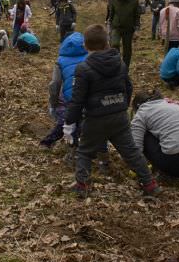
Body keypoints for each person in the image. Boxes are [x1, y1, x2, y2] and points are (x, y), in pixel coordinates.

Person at [63, 24, 162, 198]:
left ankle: (81, 185)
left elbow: (77, 100)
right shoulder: (120, 63)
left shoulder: (83, 69)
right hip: (119, 116)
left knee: (85, 152)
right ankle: (149, 184)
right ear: (106, 42)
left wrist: (69, 123)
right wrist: (122, 105)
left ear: (85, 46)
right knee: (131, 152)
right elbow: (128, 87)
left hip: (95, 119)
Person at [41, 32, 88, 149]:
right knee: (82, 120)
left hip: (70, 98)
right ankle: (79, 144)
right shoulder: (91, 57)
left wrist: (53, 104)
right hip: (88, 98)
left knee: (66, 120)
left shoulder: (60, 60)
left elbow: (55, 84)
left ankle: (48, 142)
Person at [107, 0, 141, 67]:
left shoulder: (134, 1)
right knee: (114, 45)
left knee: (127, 50)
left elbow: (137, 17)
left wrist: (137, 30)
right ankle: (116, 65)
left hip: (128, 29)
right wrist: (109, 28)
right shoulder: (113, 1)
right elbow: (110, 16)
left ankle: (125, 69)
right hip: (116, 27)